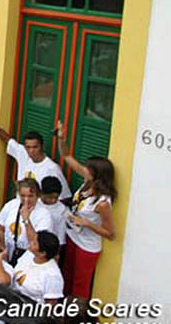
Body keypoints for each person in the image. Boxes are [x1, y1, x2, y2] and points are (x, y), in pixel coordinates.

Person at [56, 121, 116, 300]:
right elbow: (66, 156)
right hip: (73, 236)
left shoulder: (103, 203)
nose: (85, 170)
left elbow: (110, 233)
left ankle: (76, 315)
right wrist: (61, 138)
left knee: (80, 285)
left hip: (87, 246)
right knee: (66, 276)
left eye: (89, 169)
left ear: (98, 175)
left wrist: (87, 223)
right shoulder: (87, 183)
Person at [0, 118, 70, 199]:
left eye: (35, 147)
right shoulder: (23, 153)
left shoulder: (52, 168)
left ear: (42, 147)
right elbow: (8, 139)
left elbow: (65, 197)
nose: (31, 151)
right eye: (28, 147)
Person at [0, 178, 52, 264]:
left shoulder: (44, 214)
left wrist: (26, 220)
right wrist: (3, 246)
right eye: (23, 196)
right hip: (9, 252)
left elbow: (37, 242)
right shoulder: (11, 205)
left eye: (30, 196)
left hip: (29, 256)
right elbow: (0, 226)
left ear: (38, 195)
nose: (26, 200)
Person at [12, 230, 64, 304]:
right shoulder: (29, 254)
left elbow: (51, 303)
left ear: (42, 253)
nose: (31, 242)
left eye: (34, 243)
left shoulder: (53, 275)